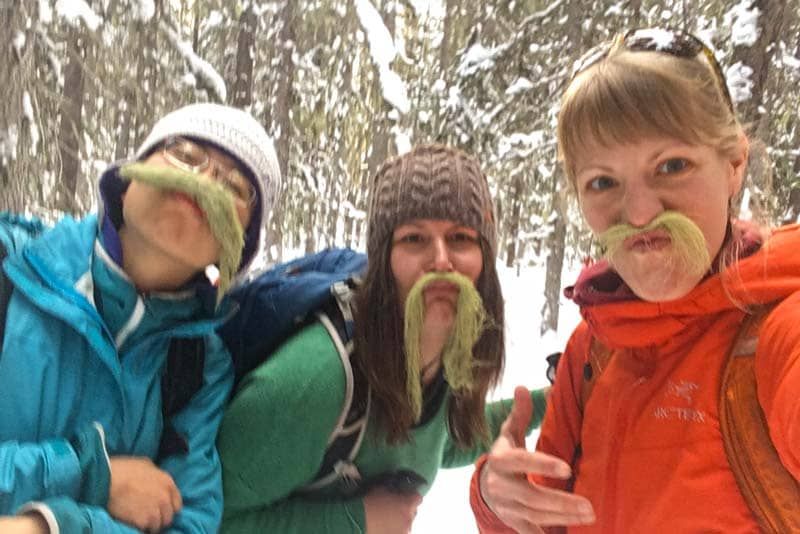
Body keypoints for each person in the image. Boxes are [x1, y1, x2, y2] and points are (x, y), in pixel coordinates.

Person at [470, 27, 800, 533]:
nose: (641, 213)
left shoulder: (777, 333)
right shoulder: (593, 347)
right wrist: (497, 498)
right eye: (603, 182)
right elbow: (545, 519)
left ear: (734, 164)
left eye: (672, 165)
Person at [217, 144, 549, 533]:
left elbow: (437, 439)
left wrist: (551, 402)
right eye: (414, 239)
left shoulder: (439, 355)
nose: (441, 260)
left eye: (460, 237)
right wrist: (356, 521)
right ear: (383, 261)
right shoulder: (313, 382)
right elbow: (208, 517)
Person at [0, 102, 281, 533]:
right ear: (128, 179)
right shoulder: (10, 271)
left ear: (237, 251)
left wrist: (50, 527)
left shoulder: (200, 366)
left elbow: (190, 524)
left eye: (236, 186)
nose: (205, 180)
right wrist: (92, 474)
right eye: (185, 154)